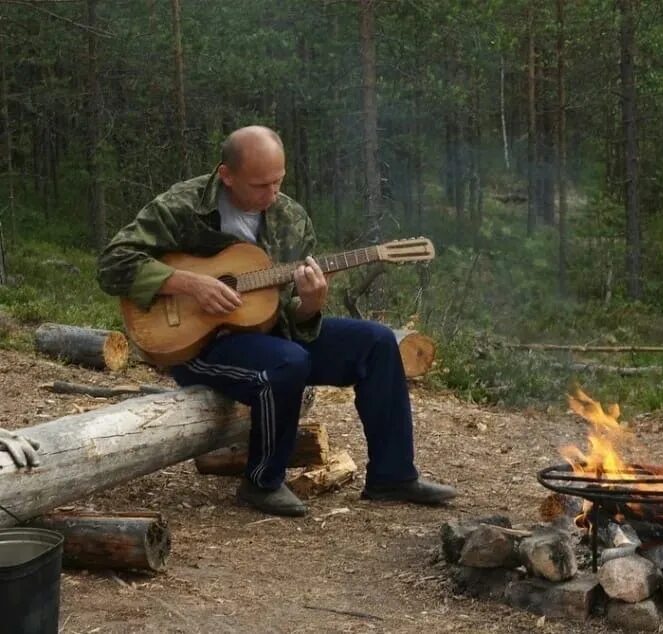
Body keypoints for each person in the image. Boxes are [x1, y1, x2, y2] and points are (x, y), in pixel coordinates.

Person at [97, 125, 456, 517]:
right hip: (196, 343)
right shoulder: (183, 205)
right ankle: (262, 482)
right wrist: (191, 284)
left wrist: (312, 302)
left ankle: (393, 476)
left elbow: (291, 319)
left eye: (278, 182)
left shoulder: (291, 218)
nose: (271, 195)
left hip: (267, 334)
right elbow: (113, 264)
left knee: (376, 341)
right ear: (226, 175)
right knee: (288, 361)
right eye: (259, 186)